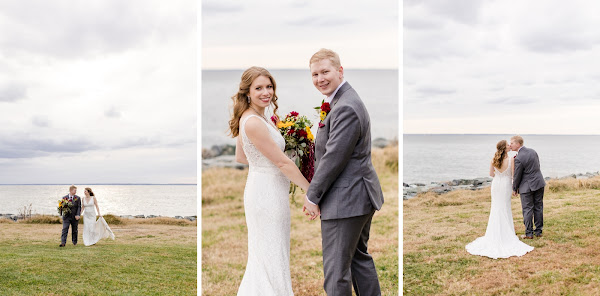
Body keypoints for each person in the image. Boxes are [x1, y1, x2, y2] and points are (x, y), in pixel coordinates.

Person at [303, 48, 384, 295]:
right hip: (357, 197)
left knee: (336, 273)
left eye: (325, 71)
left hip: (346, 200)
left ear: (340, 71)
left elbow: (333, 159)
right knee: (358, 261)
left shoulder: (346, 106)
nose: (320, 79)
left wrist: (311, 197)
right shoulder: (341, 99)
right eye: (315, 74)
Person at [229, 66, 311, 295]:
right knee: (271, 255)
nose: (266, 92)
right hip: (267, 196)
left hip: (261, 188)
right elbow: (283, 164)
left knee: (268, 254)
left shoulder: (254, 117)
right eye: (259, 88)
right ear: (247, 92)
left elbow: (241, 157)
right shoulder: (254, 122)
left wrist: (270, 159)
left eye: (269, 86)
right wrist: (310, 190)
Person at [466, 140, 534, 258]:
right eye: (508, 145)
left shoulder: (493, 159)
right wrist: (515, 188)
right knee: (505, 207)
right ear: (504, 148)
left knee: (496, 208)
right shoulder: (511, 159)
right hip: (506, 185)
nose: (510, 146)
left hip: (496, 185)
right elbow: (513, 176)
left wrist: (499, 174)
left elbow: (491, 174)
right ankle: (506, 235)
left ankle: (494, 234)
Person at [510, 135, 545, 239]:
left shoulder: (519, 158)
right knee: (538, 207)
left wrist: (514, 188)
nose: (510, 145)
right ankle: (538, 231)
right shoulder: (533, 151)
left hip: (527, 187)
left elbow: (517, 175)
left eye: (512, 143)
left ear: (518, 144)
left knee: (527, 209)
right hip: (539, 183)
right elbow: (537, 166)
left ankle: (529, 233)